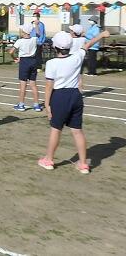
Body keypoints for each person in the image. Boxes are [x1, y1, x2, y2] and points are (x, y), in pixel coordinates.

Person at [38, 30, 110, 174]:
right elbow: (88, 44)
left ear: (55, 47)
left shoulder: (51, 63)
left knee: (56, 129)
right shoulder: (77, 57)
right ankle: (83, 164)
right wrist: (101, 35)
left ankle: (48, 160)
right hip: (76, 96)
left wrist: (47, 104)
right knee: (77, 131)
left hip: (60, 96)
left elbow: (49, 86)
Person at [8, 23, 42, 112]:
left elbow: (11, 52)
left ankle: (21, 104)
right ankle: (36, 105)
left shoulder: (19, 41)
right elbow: (38, 34)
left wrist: (14, 58)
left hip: (24, 62)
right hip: (33, 61)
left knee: (23, 85)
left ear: (23, 32)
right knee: (33, 84)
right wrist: (36, 25)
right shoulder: (34, 39)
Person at [69, 24, 85, 90]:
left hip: (71, 58)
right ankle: (80, 92)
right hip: (80, 58)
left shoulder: (71, 40)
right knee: (79, 76)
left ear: (73, 32)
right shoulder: (83, 39)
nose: (70, 32)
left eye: (71, 31)